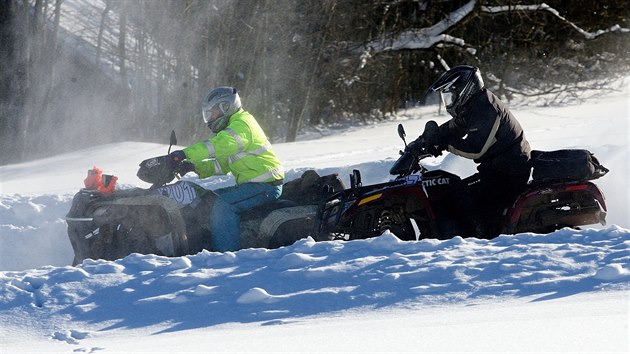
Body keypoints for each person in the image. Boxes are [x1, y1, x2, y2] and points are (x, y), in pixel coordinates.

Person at [413, 65, 531, 238]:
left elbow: (476, 149)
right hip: (497, 169)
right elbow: (453, 128)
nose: (449, 100)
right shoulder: (473, 106)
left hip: (510, 171)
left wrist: (444, 144)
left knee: (460, 193)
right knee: (452, 187)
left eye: (451, 95)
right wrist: (426, 139)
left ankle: (478, 236)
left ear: (464, 89)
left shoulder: (486, 108)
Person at [168, 86, 284, 251]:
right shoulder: (231, 128)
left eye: (212, 113)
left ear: (226, 107)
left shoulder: (242, 125)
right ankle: (202, 245)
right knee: (208, 198)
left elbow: (216, 146)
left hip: (266, 185)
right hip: (251, 185)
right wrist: (193, 166)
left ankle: (225, 254)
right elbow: (220, 165)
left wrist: (184, 153)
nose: (210, 119)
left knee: (224, 206)